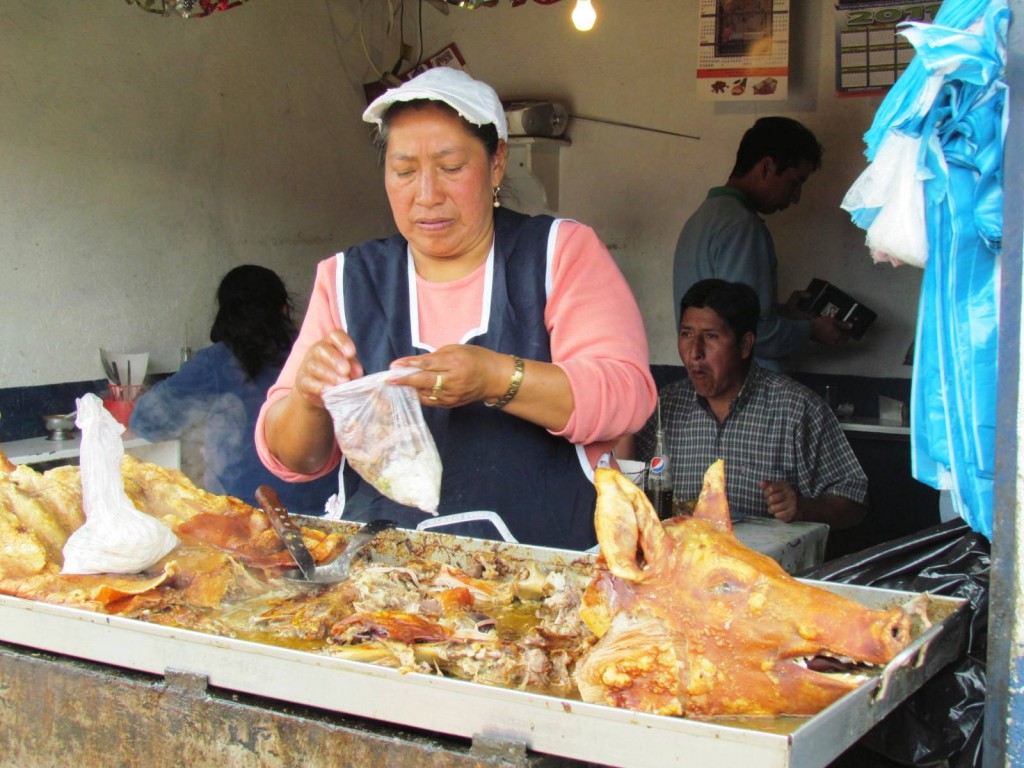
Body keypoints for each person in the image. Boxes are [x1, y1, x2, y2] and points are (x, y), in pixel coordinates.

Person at [255, 67, 657, 551]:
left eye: (450, 167)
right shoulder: (347, 280)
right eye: (404, 171)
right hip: (379, 584)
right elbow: (291, 457)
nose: (427, 194)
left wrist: (496, 378)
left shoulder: (558, 254)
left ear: (497, 163)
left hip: (548, 581)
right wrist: (307, 399)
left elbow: (625, 397)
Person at [625, 279, 867, 528]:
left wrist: (803, 507)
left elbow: (853, 503)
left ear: (744, 345)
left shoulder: (798, 409)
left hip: (762, 564)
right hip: (679, 561)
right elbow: (624, 489)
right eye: (686, 334)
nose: (695, 352)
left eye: (711, 336)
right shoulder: (662, 408)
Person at [129, 265, 337, 514]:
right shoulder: (318, 357)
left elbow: (146, 422)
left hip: (244, 511)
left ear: (226, 314)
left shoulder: (216, 362)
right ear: (284, 309)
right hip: (328, 507)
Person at [672, 117, 850, 372]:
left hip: (712, 381)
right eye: (795, 182)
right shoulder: (742, 227)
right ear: (767, 167)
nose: (796, 197)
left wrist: (782, 312)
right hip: (748, 388)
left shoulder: (703, 218)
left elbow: (720, 313)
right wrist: (812, 330)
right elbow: (753, 332)